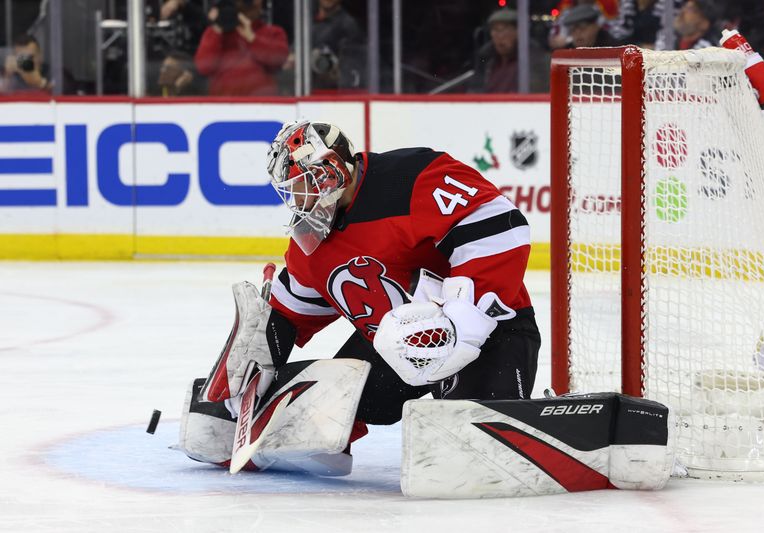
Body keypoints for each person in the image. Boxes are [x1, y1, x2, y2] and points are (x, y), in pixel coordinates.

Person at [179, 120, 542, 474]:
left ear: (330, 171)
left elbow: (497, 224)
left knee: (481, 455)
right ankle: (313, 440)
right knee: (325, 389)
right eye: (289, 190)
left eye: (301, 185)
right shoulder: (312, 241)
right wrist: (249, 371)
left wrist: (464, 321)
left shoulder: (409, 177)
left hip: (490, 332)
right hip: (397, 348)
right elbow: (289, 313)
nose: (297, 200)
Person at [194, 0, 289, 96]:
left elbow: (279, 59)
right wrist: (218, 27)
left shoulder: (273, 33)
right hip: (223, 105)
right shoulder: (216, 33)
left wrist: (252, 38)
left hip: (262, 105)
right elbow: (204, 67)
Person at [471, 9, 550, 93]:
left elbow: (536, 95)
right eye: (495, 30)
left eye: (505, 30)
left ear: (519, 32)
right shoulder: (486, 59)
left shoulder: (535, 60)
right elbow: (475, 90)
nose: (500, 36)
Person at [310, 0, 364, 91]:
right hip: (309, 92)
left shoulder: (348, 25)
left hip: (334, 95)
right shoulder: (305, 19)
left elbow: (351, 70)